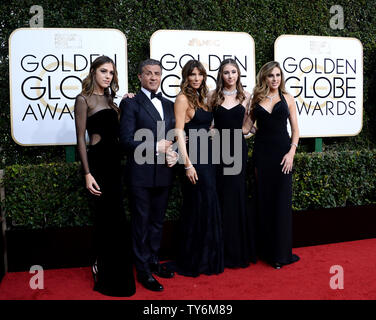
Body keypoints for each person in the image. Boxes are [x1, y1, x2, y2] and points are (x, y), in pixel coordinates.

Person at [74, 55, 135, 297]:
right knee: (104, 220)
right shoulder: (83, 99)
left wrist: (127, 102)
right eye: (103, 71)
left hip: (115, 164)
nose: (108, 75)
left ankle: (118, 272)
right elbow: (81, 139)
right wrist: (87, 173)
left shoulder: (112, 101)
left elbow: (121, 131)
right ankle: (101, 267)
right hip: (99, 164)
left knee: (118, 221)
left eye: (111, 72)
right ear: (93, 73)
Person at [119, 59, 177, 292]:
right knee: (141, 223)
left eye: (157, 73)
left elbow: (173, 136)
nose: (153, 77)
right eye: (148, 73)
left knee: (156, 222)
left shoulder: (169, 104)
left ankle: (153, 261)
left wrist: (173, 153)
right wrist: (156, 147)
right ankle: (142, 270)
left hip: (164, 172)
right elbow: (125, 140)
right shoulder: (131, 103)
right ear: (140, 77)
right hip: (140, 174)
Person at [245, 61, 300, 269]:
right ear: (264, 78)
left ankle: (280, 253)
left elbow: (296, 130)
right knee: (264, 201)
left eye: (278, 75)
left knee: (281, 203)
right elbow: (246, 127)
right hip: (262, 155)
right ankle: (266, 250)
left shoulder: (288, 99)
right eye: (271, 76)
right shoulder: (255, 98)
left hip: (282, 155)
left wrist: (291, 154)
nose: (275, 79)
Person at [173, 59, 224, 277]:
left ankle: (208, 258)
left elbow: (206, 125)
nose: (196, 78)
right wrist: (187, 164)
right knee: (198, 205)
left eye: (200, 74)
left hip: (209, 156)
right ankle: (194, 259)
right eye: (192, 74)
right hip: (194, 158)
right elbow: (178, 132)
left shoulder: (204, 98)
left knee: (209, 203)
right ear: (186, 77)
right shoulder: (182, 98)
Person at [208, 58, 257, 269]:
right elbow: (208, 125)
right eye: (226, 72)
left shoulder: (247, 96)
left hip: (237, 151)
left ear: (238, 74)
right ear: (221, 75)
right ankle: (219, 251)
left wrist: (242, 134)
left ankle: (237, 251)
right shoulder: (212, 96)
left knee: (236, 196)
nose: (230, 76)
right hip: (217, 151)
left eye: (233, 72)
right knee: (219, 195)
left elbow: (250, 127)